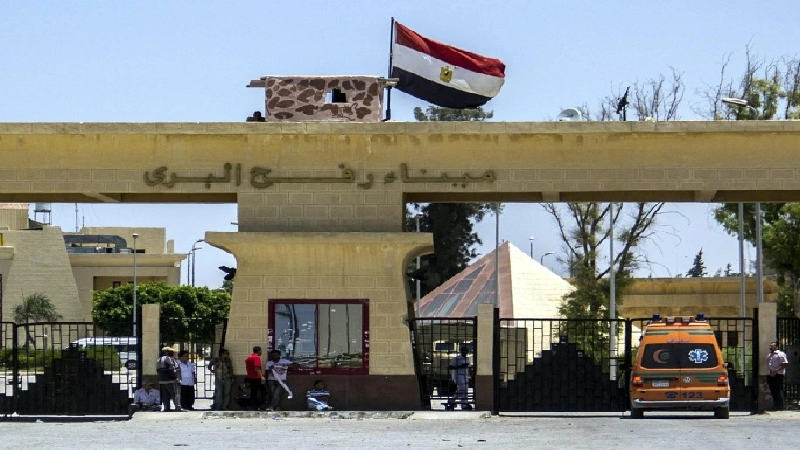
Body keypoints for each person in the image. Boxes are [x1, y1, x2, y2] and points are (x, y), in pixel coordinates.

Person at [447, 346, 473, 411]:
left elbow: (469, 368)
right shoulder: (456, 358)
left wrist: (471, 376)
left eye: (466, 351)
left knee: (464, 390)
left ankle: (453, 400)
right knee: (463, 389)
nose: (465, 352)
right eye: (464, 351)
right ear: (461, 351)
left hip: (465, 376)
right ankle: (463, 405)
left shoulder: (467, 359)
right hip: (458, 375)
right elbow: (450, 367)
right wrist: (460, 366)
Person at [157, 346, 182, 412]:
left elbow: (158, 370)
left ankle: (166, 408)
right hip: (170, 380)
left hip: (162, 380)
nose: (173, 352)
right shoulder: (169, 359)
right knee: (175, 394)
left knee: (165, 395)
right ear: (167, 352)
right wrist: (175, 377)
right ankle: (177, 407)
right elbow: (171, 369)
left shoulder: (159, 359)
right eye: (171, 351)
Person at [767, 341, 789, 411]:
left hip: (778, 375)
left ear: (776, 347)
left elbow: (784, 364)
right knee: (773, 390)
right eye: (770, 346)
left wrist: (776, 371)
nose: (771, 347)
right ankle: (775, 405)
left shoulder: (780, 354)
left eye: (772, 346)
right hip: (771, 374)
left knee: (778, 390)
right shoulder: (770, 355)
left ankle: (780, 406)